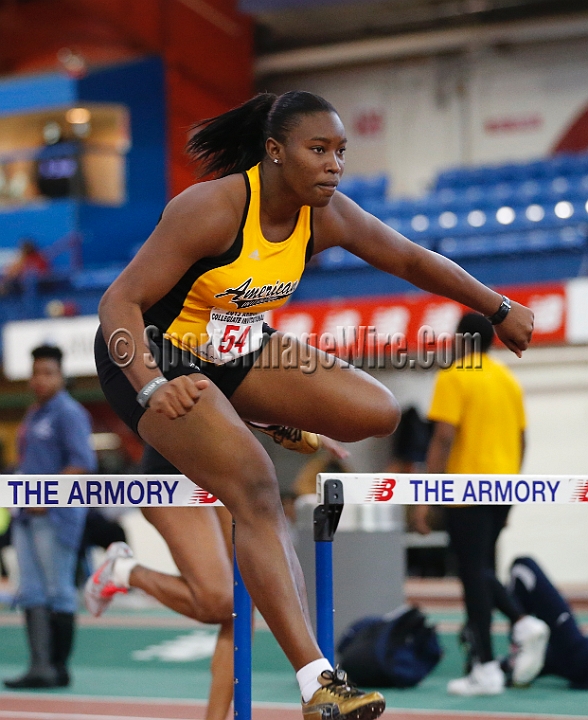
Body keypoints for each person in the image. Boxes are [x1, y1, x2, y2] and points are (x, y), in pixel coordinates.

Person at [93, 91, 534, 719]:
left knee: (376, 411)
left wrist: (497, 306)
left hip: (235, 350)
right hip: (151, 352)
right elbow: (118, 303)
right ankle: (317, 680)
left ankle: (258, 413)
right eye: (319, 150)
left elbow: (409, 257)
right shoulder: (213, 209)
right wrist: (150, 385)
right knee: (256, 485)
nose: (334, 166)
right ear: (274, 152)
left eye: (341, 152)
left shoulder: (324, 214)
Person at [86, 432, 348, 720]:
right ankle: (124, 571)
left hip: (227, 467)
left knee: (240, 606)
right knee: (219, 601)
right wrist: (294, 424)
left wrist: (303, 423)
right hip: (173, 470)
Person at [414, 313, 548, 697]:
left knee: (471, 572)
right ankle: (488, 661)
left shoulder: (455, 374)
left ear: (460, 340)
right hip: (504, 486)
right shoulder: (507, 379)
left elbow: (443, 438)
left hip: (467, 487)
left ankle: (512, 635)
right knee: (480, 571)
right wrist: (513, 487)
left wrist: (426, 495)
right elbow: (523, 440)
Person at [4, 345, 97, 690]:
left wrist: (48, 495)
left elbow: (83, 464)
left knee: (58, 591)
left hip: (55, 517)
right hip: (25, 516)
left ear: (61, 375)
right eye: (36, 372)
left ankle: (58, 668)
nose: (39, 379)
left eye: (47, 372)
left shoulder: (68, 413)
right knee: (30, 591)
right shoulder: (33, 415)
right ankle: (40, 666)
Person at [505, 556, 588, 689]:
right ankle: (513, 657)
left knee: (523, 565)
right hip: (572, 661)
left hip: (575, 652)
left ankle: (518, 645)